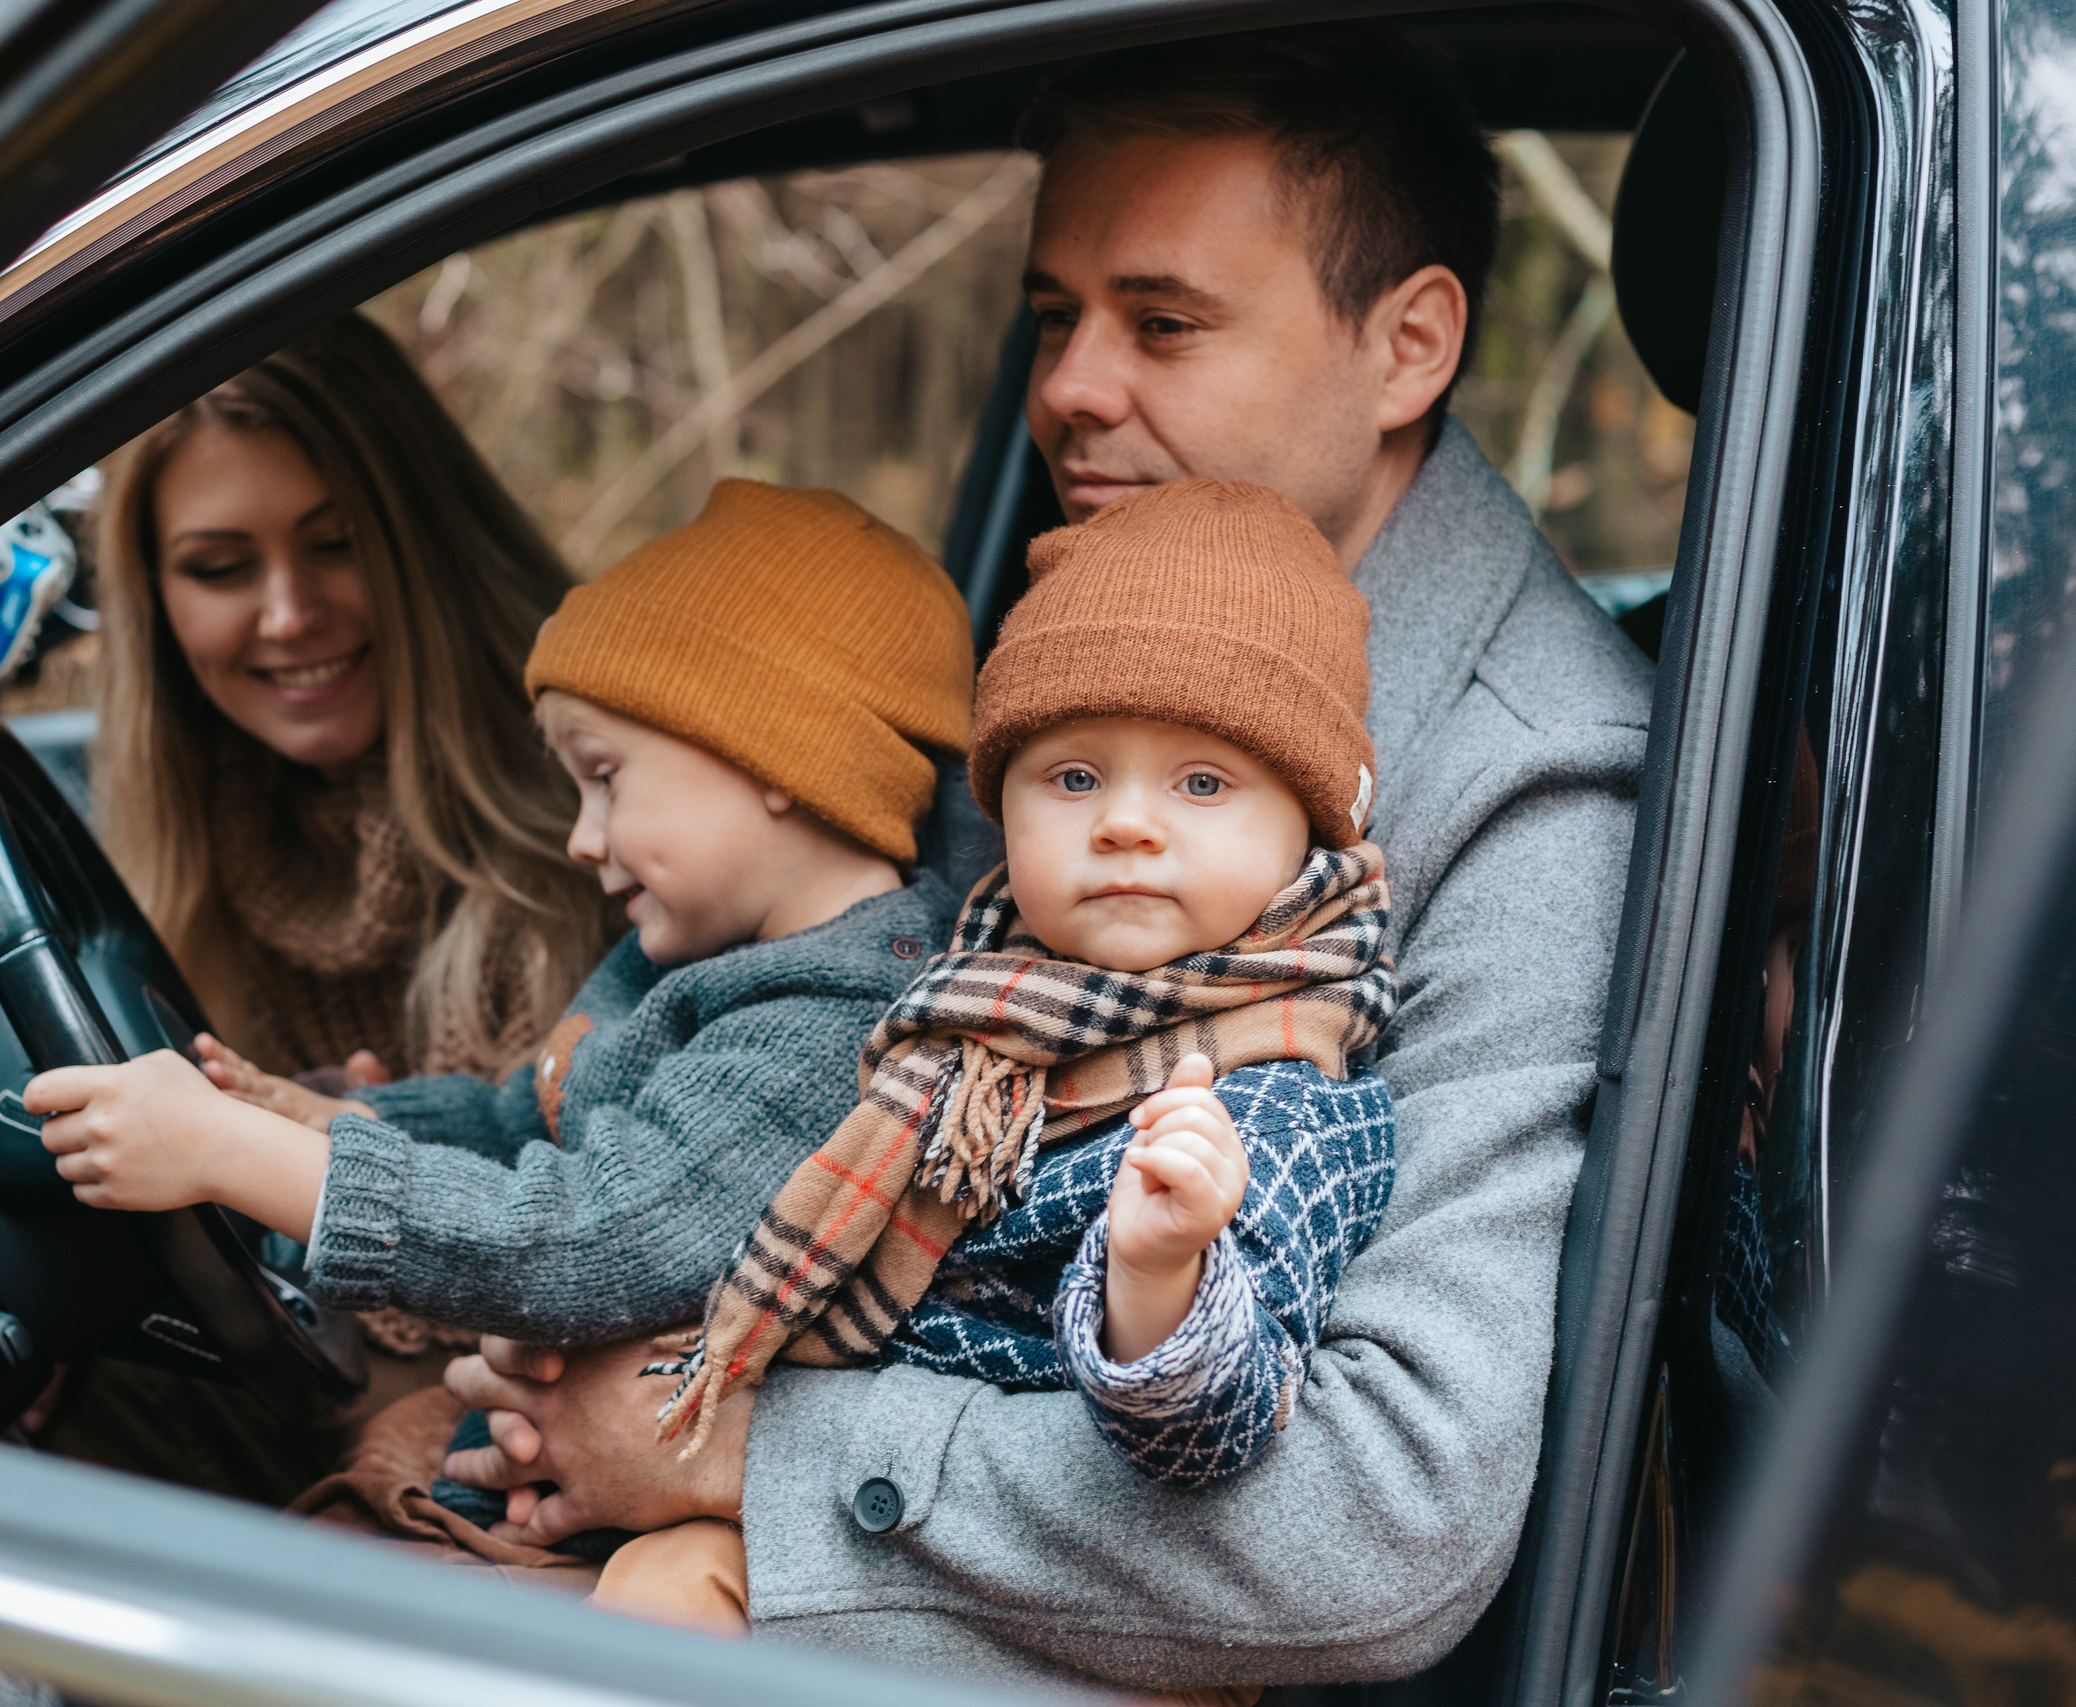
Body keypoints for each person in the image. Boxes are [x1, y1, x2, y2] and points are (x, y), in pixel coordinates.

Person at [437, 23, 1660, 1693]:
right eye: (1053, 318)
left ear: (1410, 347)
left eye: (1163, 322)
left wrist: (746, 1452)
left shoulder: (1536, 782)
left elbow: (1387, 1520)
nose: (1072, 387)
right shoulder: (1085, 609)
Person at [586, 479, 1404, 1637]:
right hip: (874, 1548)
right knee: (635, 1594)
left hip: (1077, 1615)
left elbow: (1210, 1433)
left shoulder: (1272, 1092)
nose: (1124, 822)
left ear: (1312, 830)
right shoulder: (969, 1017)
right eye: (1072, 778)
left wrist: (1161, 1273)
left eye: (1203, 782)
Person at [26, 479, 974, 1374]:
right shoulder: (713, 954)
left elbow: (596, 1237)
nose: (578, 837)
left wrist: (241, 1157)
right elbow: (526, 1123)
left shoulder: (836, 1030)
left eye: (604, 776)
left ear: (782, 756)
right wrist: (338, 1122)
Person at [92, 311, 610, 1092]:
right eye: (221, 567)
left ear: (429, 541)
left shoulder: (603, 825)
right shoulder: (169, 872)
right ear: (153, 601)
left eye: (337, 543)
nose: (289, 614)